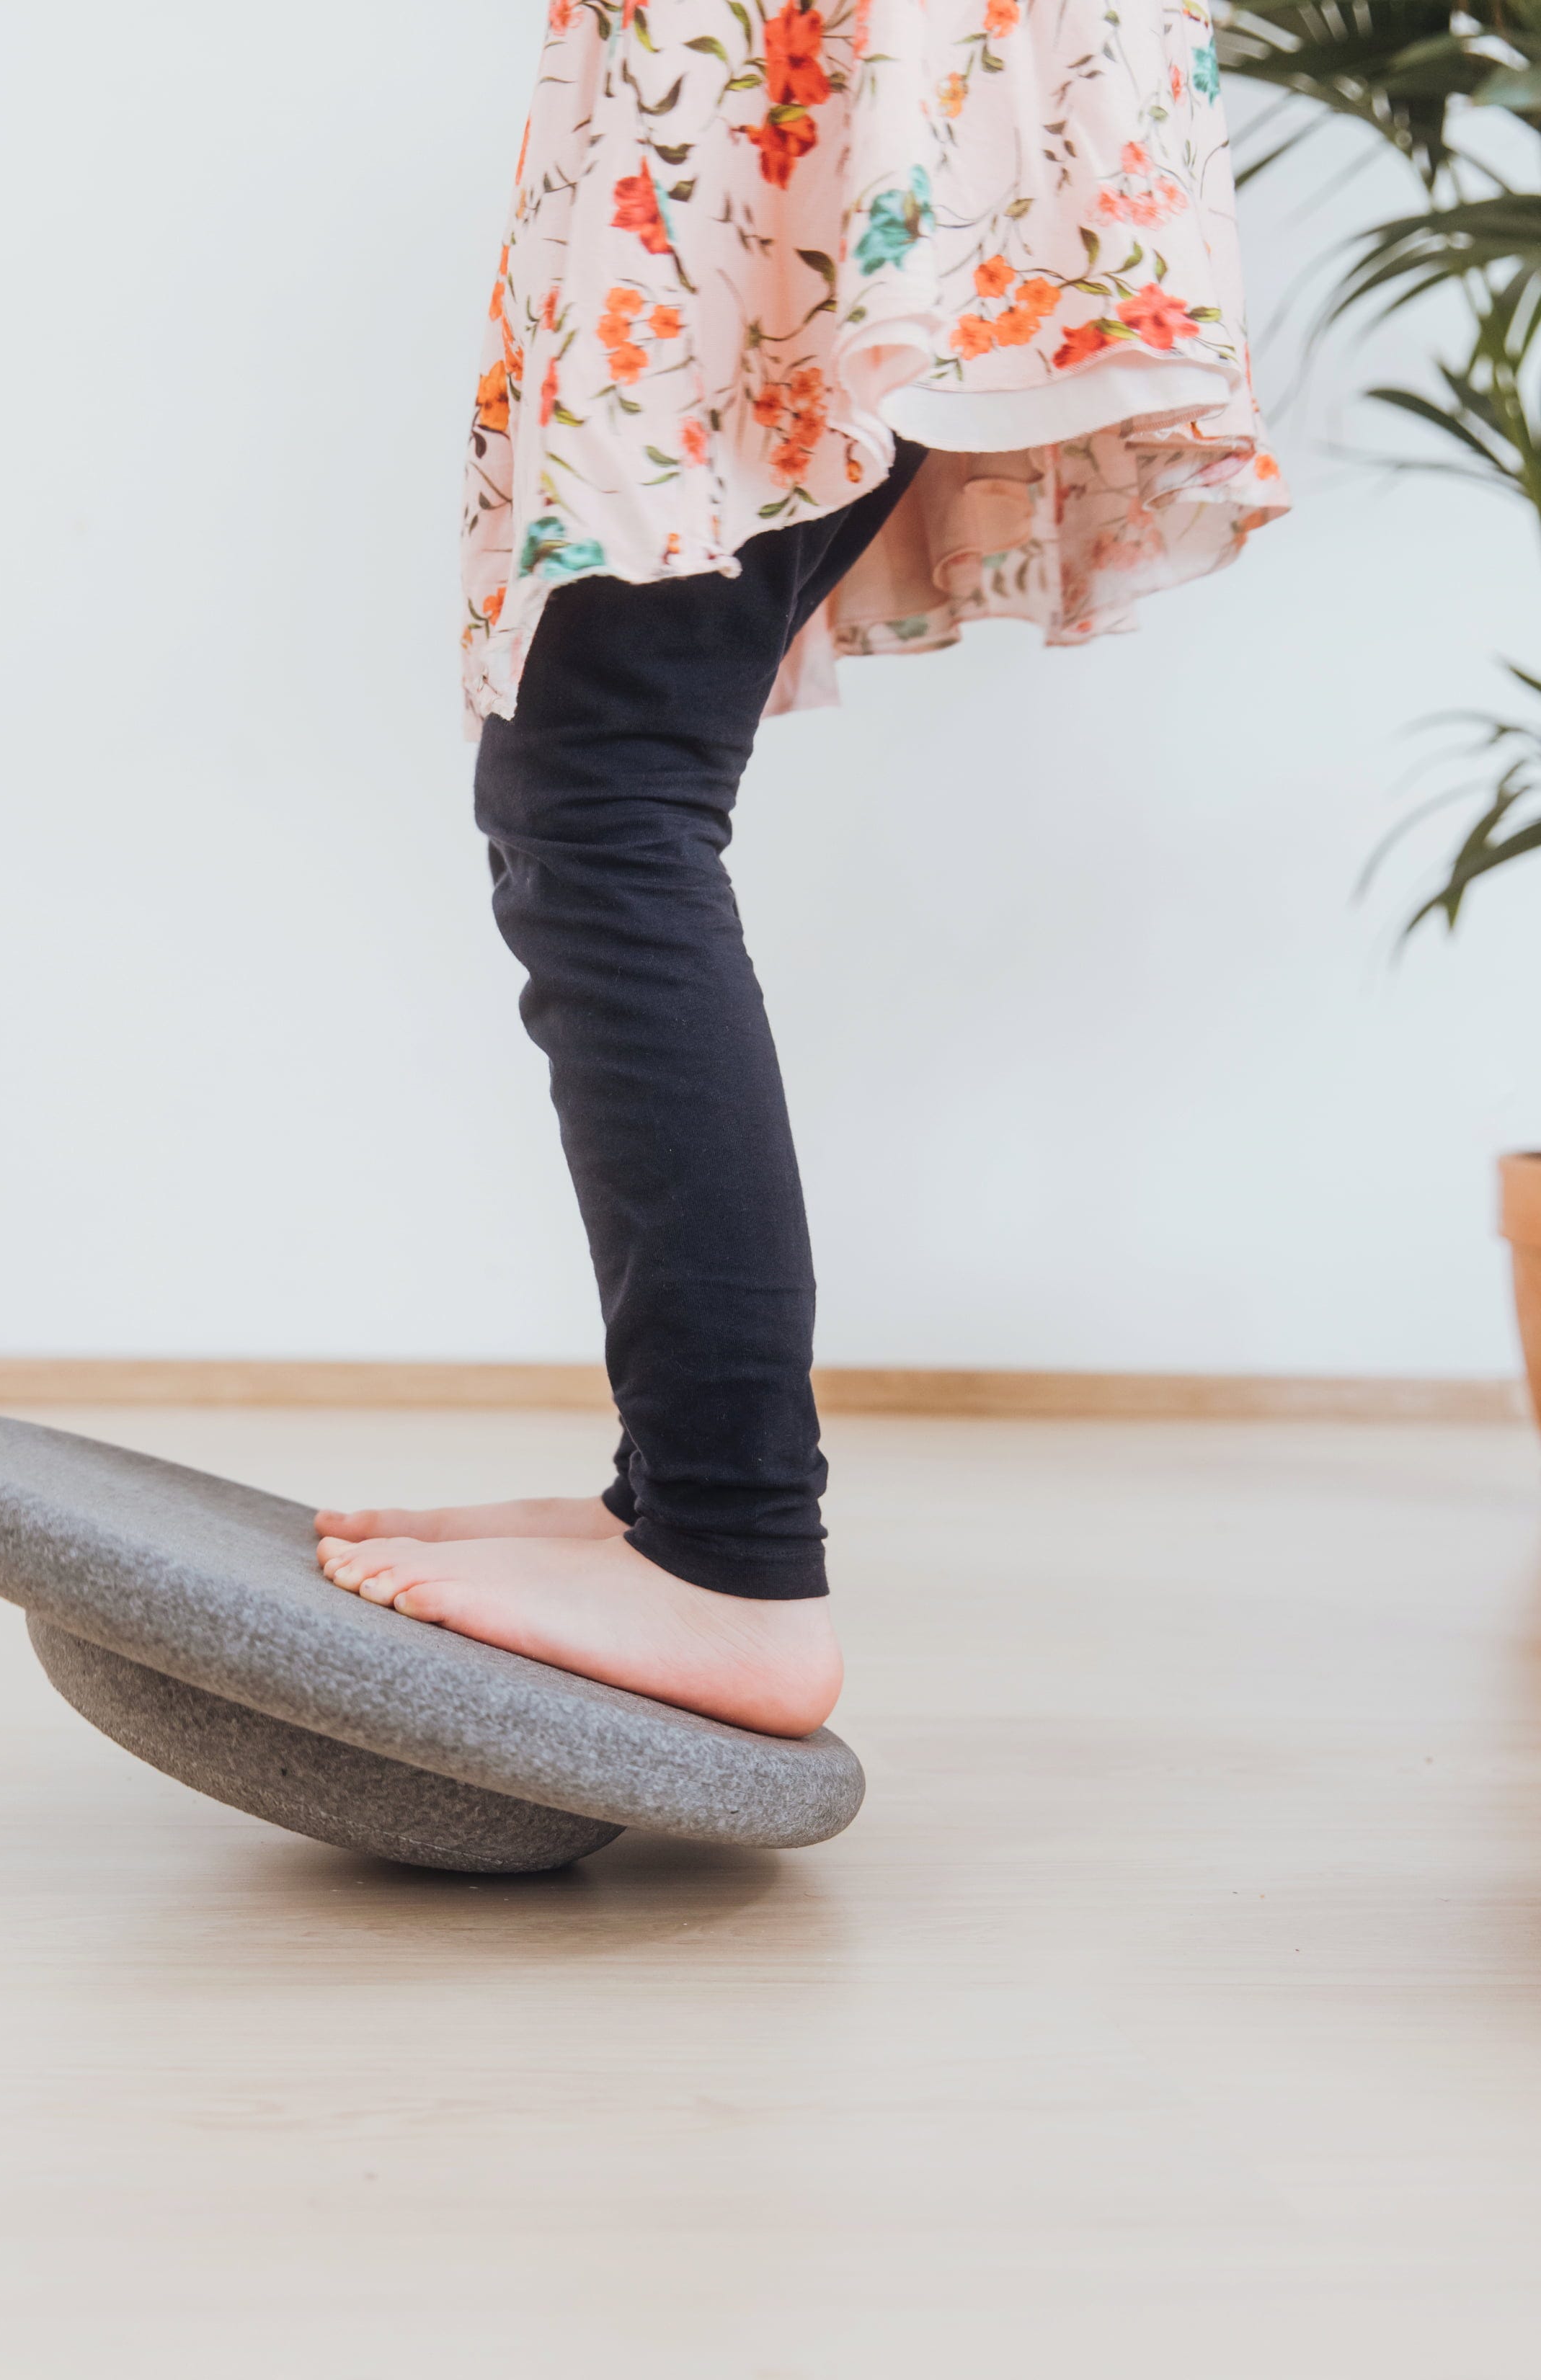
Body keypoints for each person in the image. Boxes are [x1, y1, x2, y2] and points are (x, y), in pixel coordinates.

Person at [317, 0, 1286, 1737]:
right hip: (874, 80)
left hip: (836, 73)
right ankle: (675, 1506)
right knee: (605, 774)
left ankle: (728, 1553)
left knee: (603, 785)